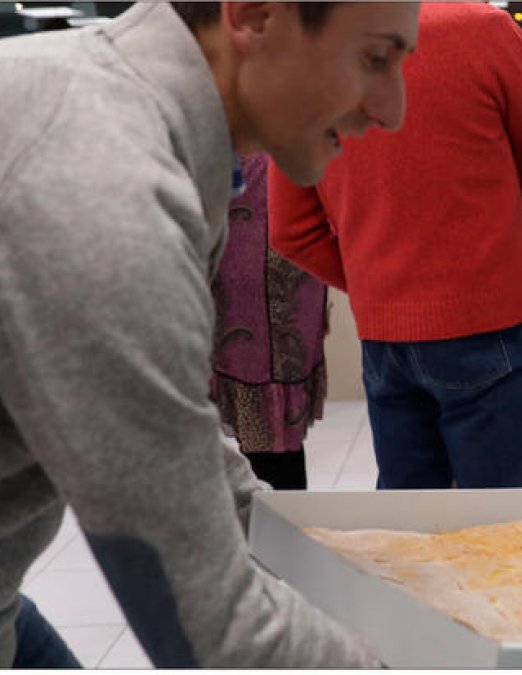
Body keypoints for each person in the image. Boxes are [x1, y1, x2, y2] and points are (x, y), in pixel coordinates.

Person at [0, 1, 419, 667]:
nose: (392, 109)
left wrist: (323, 554)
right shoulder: (106, 195)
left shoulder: (147, 128)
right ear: (254, 17)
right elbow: (214, 638)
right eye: (374, 58)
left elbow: (170, 431)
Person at [269, 3, 522, 490]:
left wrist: (376, 282)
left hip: (387, 335)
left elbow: (291, 230)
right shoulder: (484, 28)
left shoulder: (304, 51)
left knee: (411, 531)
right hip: (489, 320)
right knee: (507, 532)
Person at [210, 152, 329, 490]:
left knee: (270, 441)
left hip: (266, 279)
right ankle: (274, 528)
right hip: (253, 271)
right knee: (269, 441)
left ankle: (273, 531)